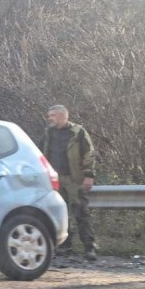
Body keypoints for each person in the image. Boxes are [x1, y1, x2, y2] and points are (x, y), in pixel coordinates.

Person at [40, 105, 97, 260]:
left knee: (81, 212)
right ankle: (65, 246)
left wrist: (88, 175)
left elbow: (89, 154)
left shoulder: (78, 132)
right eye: (49, 115)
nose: (49, 118)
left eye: (52, 115)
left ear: (62, 116)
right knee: (60, 213)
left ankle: (89, 247)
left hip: (75, 179)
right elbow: (40, 154)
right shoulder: (48, 132)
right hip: (55, 180)